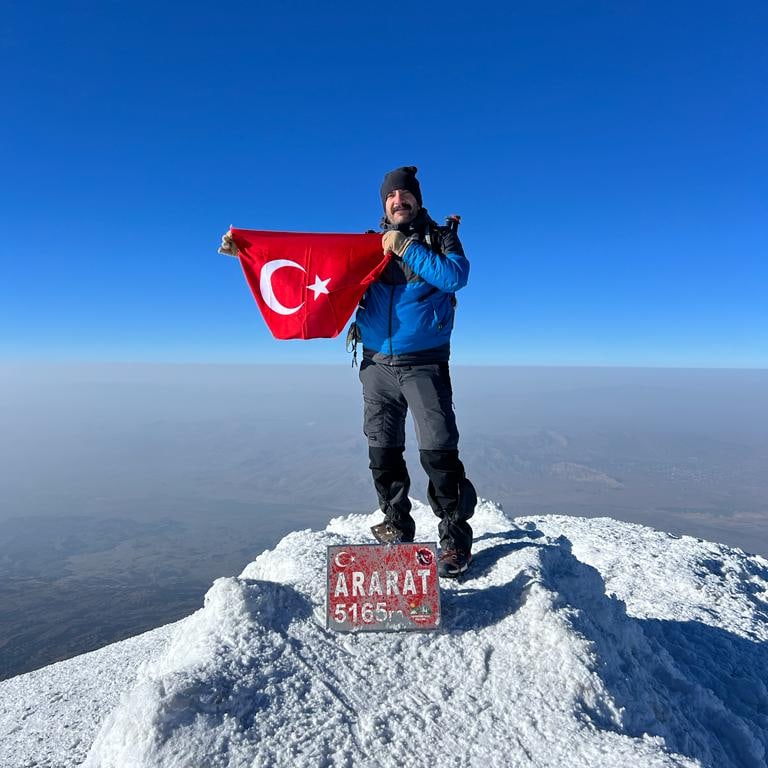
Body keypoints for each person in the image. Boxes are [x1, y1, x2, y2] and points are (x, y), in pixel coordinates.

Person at [355, 166, 476, 578]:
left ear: (417, 201)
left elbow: (454, 277)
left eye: (405, 195)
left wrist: (405, 246)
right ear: (383, 203)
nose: (398, 201)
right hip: (375, 365)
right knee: (382, 452)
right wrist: (249, 251)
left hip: (424, 363)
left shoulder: (440, 238)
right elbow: (312, 268)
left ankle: (454, 538)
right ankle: (397, 526)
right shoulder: (368, 247)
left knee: (439, 452)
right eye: (391, 196)